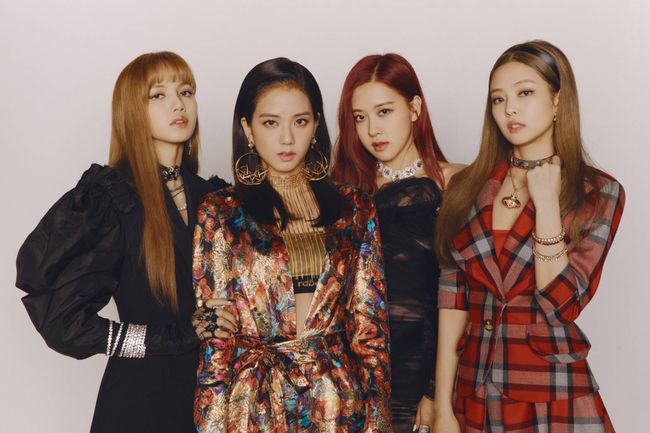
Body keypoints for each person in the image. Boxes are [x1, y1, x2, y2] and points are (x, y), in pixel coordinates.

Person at [15, 51, 229, 433]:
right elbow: (62, 321)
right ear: (132, 110)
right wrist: (166, 338)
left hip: (216, 398)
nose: (178, 104)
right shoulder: (111, 199)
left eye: (186, 91)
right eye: (158, 95)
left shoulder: (217, 200)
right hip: (140, 402)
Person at [433, 40, 625, 433]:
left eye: (525, 93)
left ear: (557, 100)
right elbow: (452, 301)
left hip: (550, 391)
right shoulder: (467, 187)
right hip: (474, 389)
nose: (510, 109)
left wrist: (547, 203)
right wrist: (441, 406)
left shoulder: (598, 192)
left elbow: (561, 304)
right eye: (498, 99)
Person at [192, 57, 391, 433]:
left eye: (299, 121)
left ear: (315, 125)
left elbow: (370, 327)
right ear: (247, 129)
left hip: (336, 401)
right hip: (254, 404)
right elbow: (217, 338)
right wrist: (211, 423)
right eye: (271, 122)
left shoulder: (355, 207)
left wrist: (378, 421)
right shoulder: (221, 211)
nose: (287, 138)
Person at [331, 53, 464, 433]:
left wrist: (438, 393)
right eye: (360, 117)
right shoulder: (342, 193)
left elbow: (462, 295)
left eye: (384, 111)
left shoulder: (457, 183)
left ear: (415, 107)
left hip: (421, 374)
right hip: (349, 377)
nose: (373, 129)